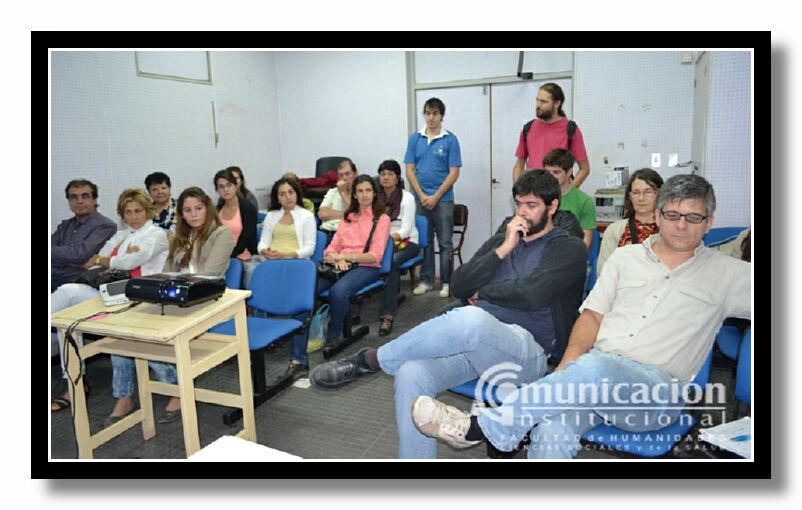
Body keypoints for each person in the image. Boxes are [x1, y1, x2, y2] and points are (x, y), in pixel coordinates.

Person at [410, 174, 751, 460]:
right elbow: (591, 317)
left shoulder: (731, 275)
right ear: (658, 216)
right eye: (673, 214)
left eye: (693, 217)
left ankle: (483, 427)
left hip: (655, 393)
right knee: (552, 427)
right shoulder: (625, 259)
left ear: (709, 223)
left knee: (594, 367)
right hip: (592, 378)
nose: (681, 224)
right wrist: (565, 373)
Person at [309, 170, 587, 458]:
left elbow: (532, 294)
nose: (522, 213)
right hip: (476, 347)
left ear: (552, 206)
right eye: (518, 204)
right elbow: (460, 284)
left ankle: (372, 360)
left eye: (531, 206)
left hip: (526, 352)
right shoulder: (508, 235)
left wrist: (487, 292)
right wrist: (503, 249)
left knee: (472, 319)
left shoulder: (568, 247)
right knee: (410, 373)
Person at [50, 189, 170, 421]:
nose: (133, 216)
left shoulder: (156, 234)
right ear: (122, 215)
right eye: (128, 212)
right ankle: (75, 379)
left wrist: (106, 260)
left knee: (80, 321)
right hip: (110, 291)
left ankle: (128, 395)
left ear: (147, 211)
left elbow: (127, 262)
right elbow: (95, 266)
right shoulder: (121, 236)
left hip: (137, 295)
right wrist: (108, 260)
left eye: (138, 211)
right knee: (65, 303)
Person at [318, 175, 390, 351]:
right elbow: (331, 247)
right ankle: (306, 333)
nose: (364, 195)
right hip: (339, 264)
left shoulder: (381, 218)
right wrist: (334, 256)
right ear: (355, 195)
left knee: (338, 291)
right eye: (360, 191)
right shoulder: (347, 216)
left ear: (374, 193)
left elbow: (375, 256)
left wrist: (346, 258)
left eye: (368, 190)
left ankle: (333, 335)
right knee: (311, 286)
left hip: (366, 266)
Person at [256, 177, 318, 381]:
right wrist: (266, 251)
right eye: (282, 193)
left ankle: (299, 360)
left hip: (298, 266)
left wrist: (285, 255)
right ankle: (260, 343)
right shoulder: (272, 215)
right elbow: (262, 242)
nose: (287, 197)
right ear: (277, 197)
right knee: (256, 298)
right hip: (273, 264)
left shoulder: (307, 216)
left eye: (290, 192)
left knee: (299, 308)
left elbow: (309, 249)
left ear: (297, 193)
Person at [405, 97, 462, 298]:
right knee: (425, 242)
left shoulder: (450, 139)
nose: (431, 117)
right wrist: (421, 195)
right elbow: (409, 169)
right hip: (420, 199)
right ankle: (427, 280)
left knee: (445, 242)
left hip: (443, 200)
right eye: (428, 113)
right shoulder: (415, 139)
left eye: (435, 113)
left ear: (441, 116)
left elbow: (454, 172)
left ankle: (447, 283)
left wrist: (435, 197)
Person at [512, 82, 590, 187]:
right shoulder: (528, 128)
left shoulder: (571, 130)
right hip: (533, 193)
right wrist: (518, 190)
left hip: (558, 196)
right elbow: (519, 164)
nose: (538, 105)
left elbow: (584, 169)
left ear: (557, 103)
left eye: (544, 102)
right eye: (537, 100)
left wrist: (568, 193)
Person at [375, 160, 419, 336]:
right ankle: (354, 311)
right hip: (382, 242)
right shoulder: (375, 197)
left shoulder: (406, 197)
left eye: (390, 174)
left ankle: (387, 316)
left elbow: (405, 230)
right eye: (383, 174)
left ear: (397, 177)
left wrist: (382, 240)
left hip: (408, 242)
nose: (386, 177)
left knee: (390, 263)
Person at [51, 179, 117, 292]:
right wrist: (75, 260)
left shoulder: (105, 225)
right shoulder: (64, 226)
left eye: (85, 196)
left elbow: (80, 255)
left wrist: (63, 257)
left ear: (94, 199)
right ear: (69, 201)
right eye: (74, 197)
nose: (79, 201)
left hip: (78, 284)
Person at [597, 168, 663, 275]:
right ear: (630, 197)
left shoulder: (670, 229)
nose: (641, 198)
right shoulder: (615, 230)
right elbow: (604, 273)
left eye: (648, 192)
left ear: (660, 194)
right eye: (636, 193)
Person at [542, 149, 597, 249]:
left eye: (556, 172)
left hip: (568, 255)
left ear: (569, 172)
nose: (550, 177)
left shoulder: (584, 201)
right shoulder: (537, 197)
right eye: (547, 172)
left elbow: (585, 243)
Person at [215, 168, 258, 262]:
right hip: (220, 256)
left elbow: (245, 238)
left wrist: (228, 256)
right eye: (221, 187)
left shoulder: (248, 208)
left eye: (229, 185)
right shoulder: (217, 210)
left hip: (242, 257)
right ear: (217, 190)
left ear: (236, 186)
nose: (225, 189)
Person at [318, 158, 358, 238]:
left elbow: (355, 215)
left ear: (355, 174)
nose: (344, 178)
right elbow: (322, 214)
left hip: (346, 235)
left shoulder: (360, 192)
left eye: (347, 174)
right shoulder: (332, 192)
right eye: (341, 175)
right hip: (326, 233)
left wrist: (343, 193)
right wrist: (345, 214)